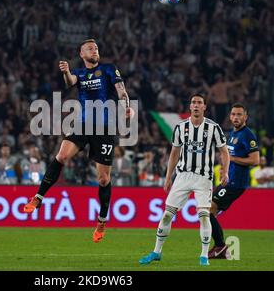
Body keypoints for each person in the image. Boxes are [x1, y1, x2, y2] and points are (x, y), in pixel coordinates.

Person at [23, 38, 134, 243]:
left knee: (103, 179)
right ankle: (38, 197)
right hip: (82, 124)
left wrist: (126, 106)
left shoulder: (109, 69)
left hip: (105, 128)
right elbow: (70, 82)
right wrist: (66, 72)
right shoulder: (80, 73)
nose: (95, 50)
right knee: (62, 156)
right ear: (82, 54)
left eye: (97, 48)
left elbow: (121, 91)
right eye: (90, 48)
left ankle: (101, 220)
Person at [139, 94, 230, 266]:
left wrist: (225, 171)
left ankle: (203, 256)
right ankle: (156, 252)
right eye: (193, 102)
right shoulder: (180, 127)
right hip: (182, 176)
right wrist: (168, 177)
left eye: (199, 103)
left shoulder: (213, 127)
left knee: (204, 216)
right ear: (190, 106)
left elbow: (224, 151)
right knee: (167, 215)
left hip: (203, 177)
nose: (196, 105)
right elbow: (174, 153)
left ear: (204, 107)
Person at [208, 103, 260, 259]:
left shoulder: (248, 135)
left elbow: (255, 160)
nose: (236, 117)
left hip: (236, 183)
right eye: (233, 114)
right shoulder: (232, 133)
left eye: (239, 115)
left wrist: (232, 159)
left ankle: (220, 247)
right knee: (209, 212)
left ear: (245, 117)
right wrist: (225, 168)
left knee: (208, 209)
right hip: (228, 180)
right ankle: (219, 247)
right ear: (230, 116)